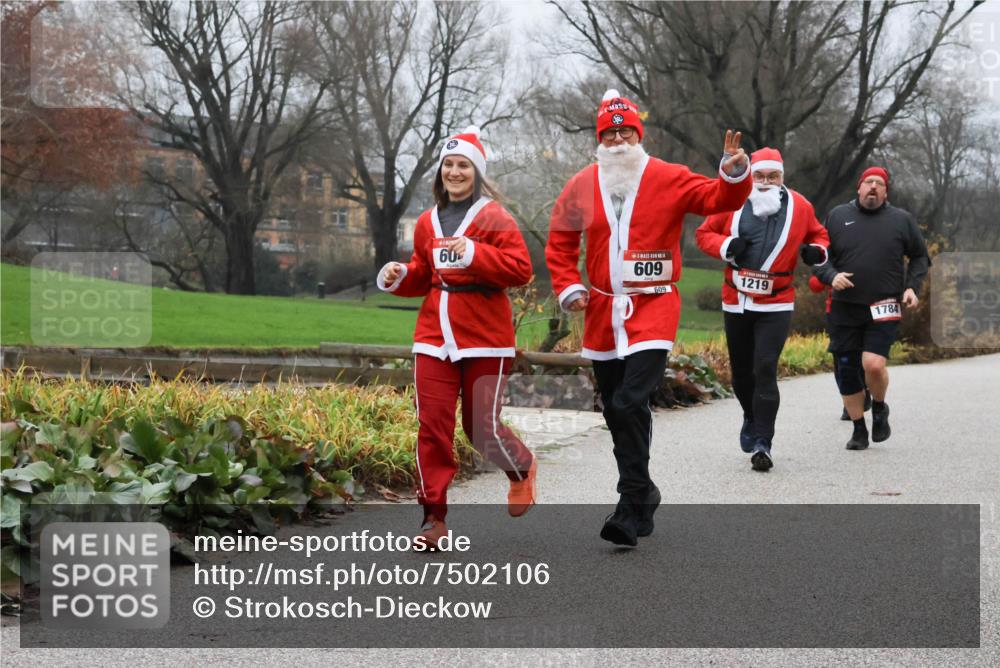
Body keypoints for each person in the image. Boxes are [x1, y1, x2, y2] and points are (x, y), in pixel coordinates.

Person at [545, 89, 752, 546]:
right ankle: (641, 497)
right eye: (609, 132)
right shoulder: (582, 183)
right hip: (602, 307)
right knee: (618, 408)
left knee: (629, 400)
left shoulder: (667, 176)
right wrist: (569, 286)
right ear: (600, 138)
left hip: (653, 305)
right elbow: (560, 240)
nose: (618, 138)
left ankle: (629, 496)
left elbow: (717, 198)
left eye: (625, 130)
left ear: (639, 134)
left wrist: (734, 173)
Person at [377, 126, 536, 549]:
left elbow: (521, 271)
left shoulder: (494, 217)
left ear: (477, 171)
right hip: (434, 337)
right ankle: (433, 519)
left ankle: (520, 467)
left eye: (463, 164)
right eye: (448, 164)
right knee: (433, 426)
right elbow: (425, 275)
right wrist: (399, 276)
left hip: (486, 338)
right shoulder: (427, 221)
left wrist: (474, 254)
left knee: (479, 429)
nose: (454, 171)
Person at [695, 148, 830, 471]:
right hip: (737, 299)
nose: (766, 182)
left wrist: (817, 252)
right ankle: (750, 415)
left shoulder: (800, 206)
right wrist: (727, 247)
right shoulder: (732, 201)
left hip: (777, 300)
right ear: (752, 175)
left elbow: (820, 236)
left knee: (766, 366)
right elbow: (704, 234)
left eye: (774, 176)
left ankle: (763, 443)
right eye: (760, 176)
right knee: (742, 371)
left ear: (783, 176)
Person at [813, 167, 930, 450]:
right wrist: (831, 276)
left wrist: (912, 287)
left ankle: (879, 407)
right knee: (846, 368)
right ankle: (858, 429)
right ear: (859, 187)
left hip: (884, 304)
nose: (874, 187)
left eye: (880, 183)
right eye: (869, 182)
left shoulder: (901, 220)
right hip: (844, 307)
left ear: (885, 192)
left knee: (873, 365)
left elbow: (919, 257)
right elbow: (819, 256)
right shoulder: (838, 216)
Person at [808, 275, 872, 420]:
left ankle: (864, 390)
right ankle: (849, 404)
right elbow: (814, 285)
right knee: (840, 358)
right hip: (836, 312)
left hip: (866, 310)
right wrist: (829, 276)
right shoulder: (831, 254)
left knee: (861, 354)